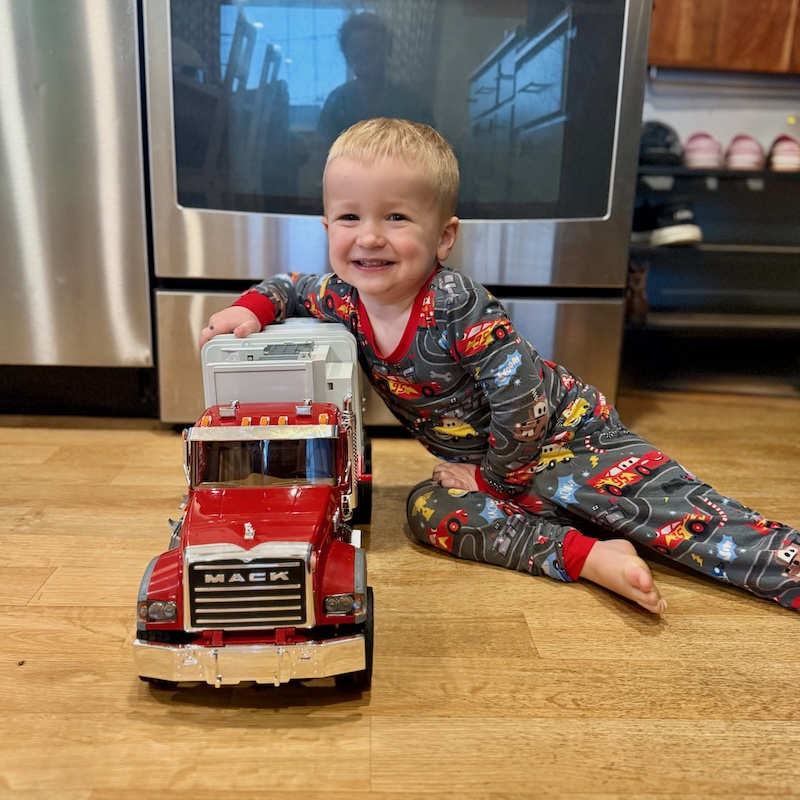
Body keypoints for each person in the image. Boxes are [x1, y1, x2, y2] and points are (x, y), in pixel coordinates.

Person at [200, 117, 800, 615]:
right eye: (351, 218)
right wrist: (250, 308)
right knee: (427, 510)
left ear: (443, 237)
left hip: (573, 439)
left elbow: (525, 403)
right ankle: (588, 557)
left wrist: (495, 480)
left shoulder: (458, 304)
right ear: (328, 228)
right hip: (496, 467)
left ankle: (782, 563)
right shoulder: (340, 298)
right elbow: (291, 285)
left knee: (686, 521)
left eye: (398, 218)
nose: (371, 238)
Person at [316, 13, 434, 145]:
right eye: (357, 58)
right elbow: (321, 155)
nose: (367, 66)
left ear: (387, 50)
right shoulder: (336, 103)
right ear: (348, 60)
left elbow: (429, 156)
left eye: (372, 52)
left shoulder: (412, 105)